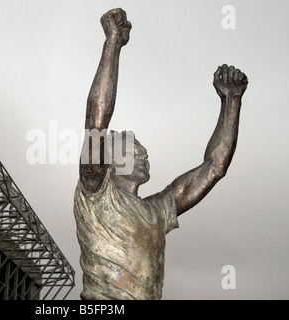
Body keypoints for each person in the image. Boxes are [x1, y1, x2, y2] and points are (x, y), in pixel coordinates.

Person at [73, 8, 248, 300]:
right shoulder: (96, 194)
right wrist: (113, 43)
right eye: (132, 149)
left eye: (143, 150)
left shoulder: (158, 211)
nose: (143, 153)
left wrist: (231, 102)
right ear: (108, 161)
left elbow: (214, 168)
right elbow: (96, 124)